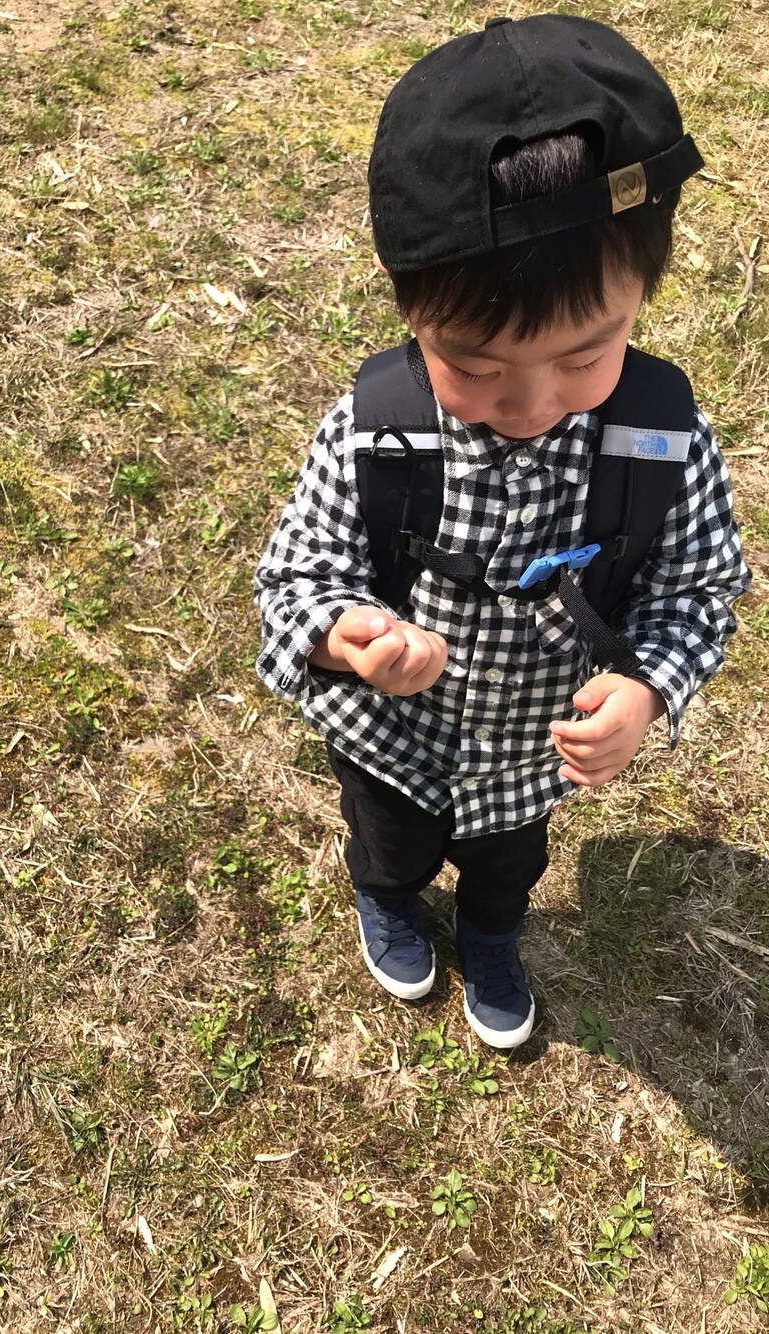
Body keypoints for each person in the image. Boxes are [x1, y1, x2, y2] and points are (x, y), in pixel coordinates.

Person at [253, 14, 751, 1049]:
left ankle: (490, 935)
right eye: (474, 365)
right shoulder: (379, 425)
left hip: (530, 756)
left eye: (584, 355)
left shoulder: (659, 439)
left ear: (640, 297)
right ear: (410, 309)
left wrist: (647, 685)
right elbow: (297, 573)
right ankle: (387, 902)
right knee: (387, 843)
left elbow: (700, 590)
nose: (528, 404)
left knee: (507, 866)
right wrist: (346, 634)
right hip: (391, 739)